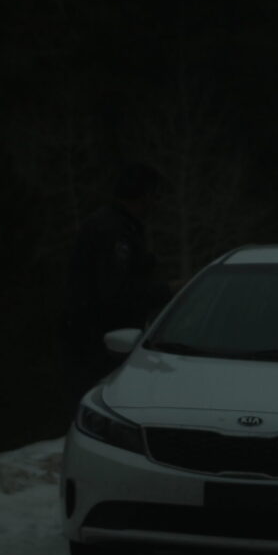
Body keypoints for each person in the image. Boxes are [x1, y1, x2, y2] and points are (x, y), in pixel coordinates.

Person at [62, 162, 171, 415]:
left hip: (98, 343)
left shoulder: (115, 225)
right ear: (145, 195)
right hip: (100, 348)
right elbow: (117, 294)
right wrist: (169, 290)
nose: (157, 203)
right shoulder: (113, 231)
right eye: (156, 195)